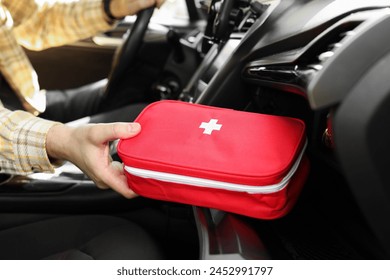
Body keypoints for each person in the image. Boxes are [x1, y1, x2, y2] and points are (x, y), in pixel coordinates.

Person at [0, 0, 164, 122]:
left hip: (30, 104)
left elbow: (37, 21)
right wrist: (56, 141)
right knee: (148, 120)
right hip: (9, 139)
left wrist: (113, 7)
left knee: (137, 87)